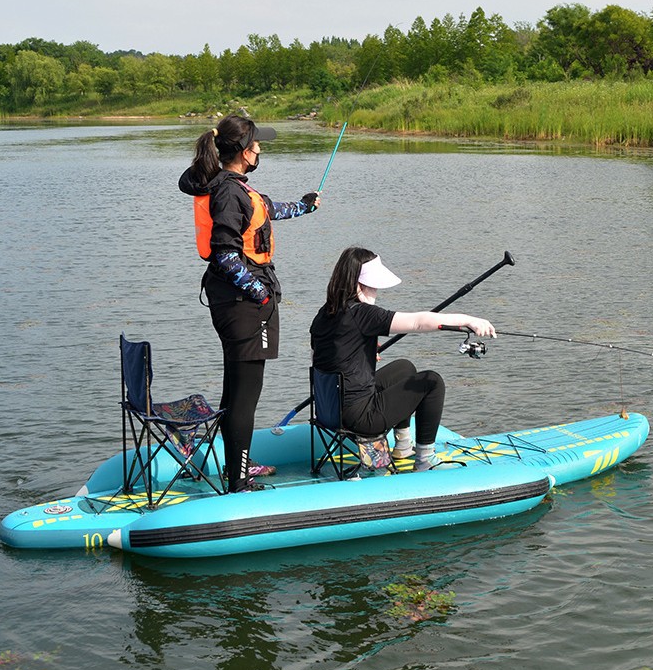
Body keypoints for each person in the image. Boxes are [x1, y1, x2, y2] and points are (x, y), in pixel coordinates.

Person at [179, 115, 320, 492]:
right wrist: (257, 292)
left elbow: (268, 211)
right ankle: (238, 481)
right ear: (244, 153)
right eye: (257, 145)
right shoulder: (228, 192)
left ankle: (237, 466)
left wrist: (305, 206)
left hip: (238, 302)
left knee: (237, 389)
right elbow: (223, 255)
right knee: (245, 394)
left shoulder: (235, 187)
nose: (261, 150)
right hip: (243, 304)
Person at [309, 247, 496, 471]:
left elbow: (323, 356)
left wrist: (360, 352)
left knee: (404, 368)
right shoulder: (363, 314)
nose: (376, 291)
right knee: (431, 381)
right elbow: (418, 322)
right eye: (374, 285)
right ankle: (425, 459)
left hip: (329, 410)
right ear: (359, 285)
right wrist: (469, 320)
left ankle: (403, 446)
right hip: (360, 417)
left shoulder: (325, 313)